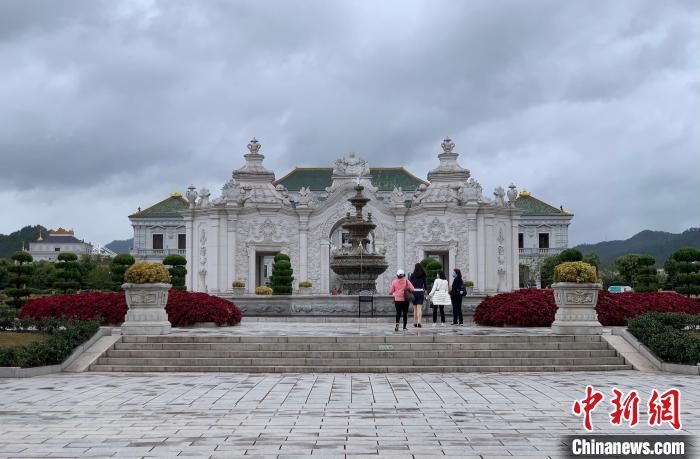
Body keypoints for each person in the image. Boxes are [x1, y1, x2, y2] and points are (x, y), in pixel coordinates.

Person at [408, 263, 427, 328]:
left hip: (414, 292)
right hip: (421, 292)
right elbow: (425, 284)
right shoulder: (423, 275)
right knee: (419, 308)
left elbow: (409, 284)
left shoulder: (413, 275)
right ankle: (419, 322)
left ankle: (415, 322)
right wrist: (426, 292)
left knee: (415, 308)